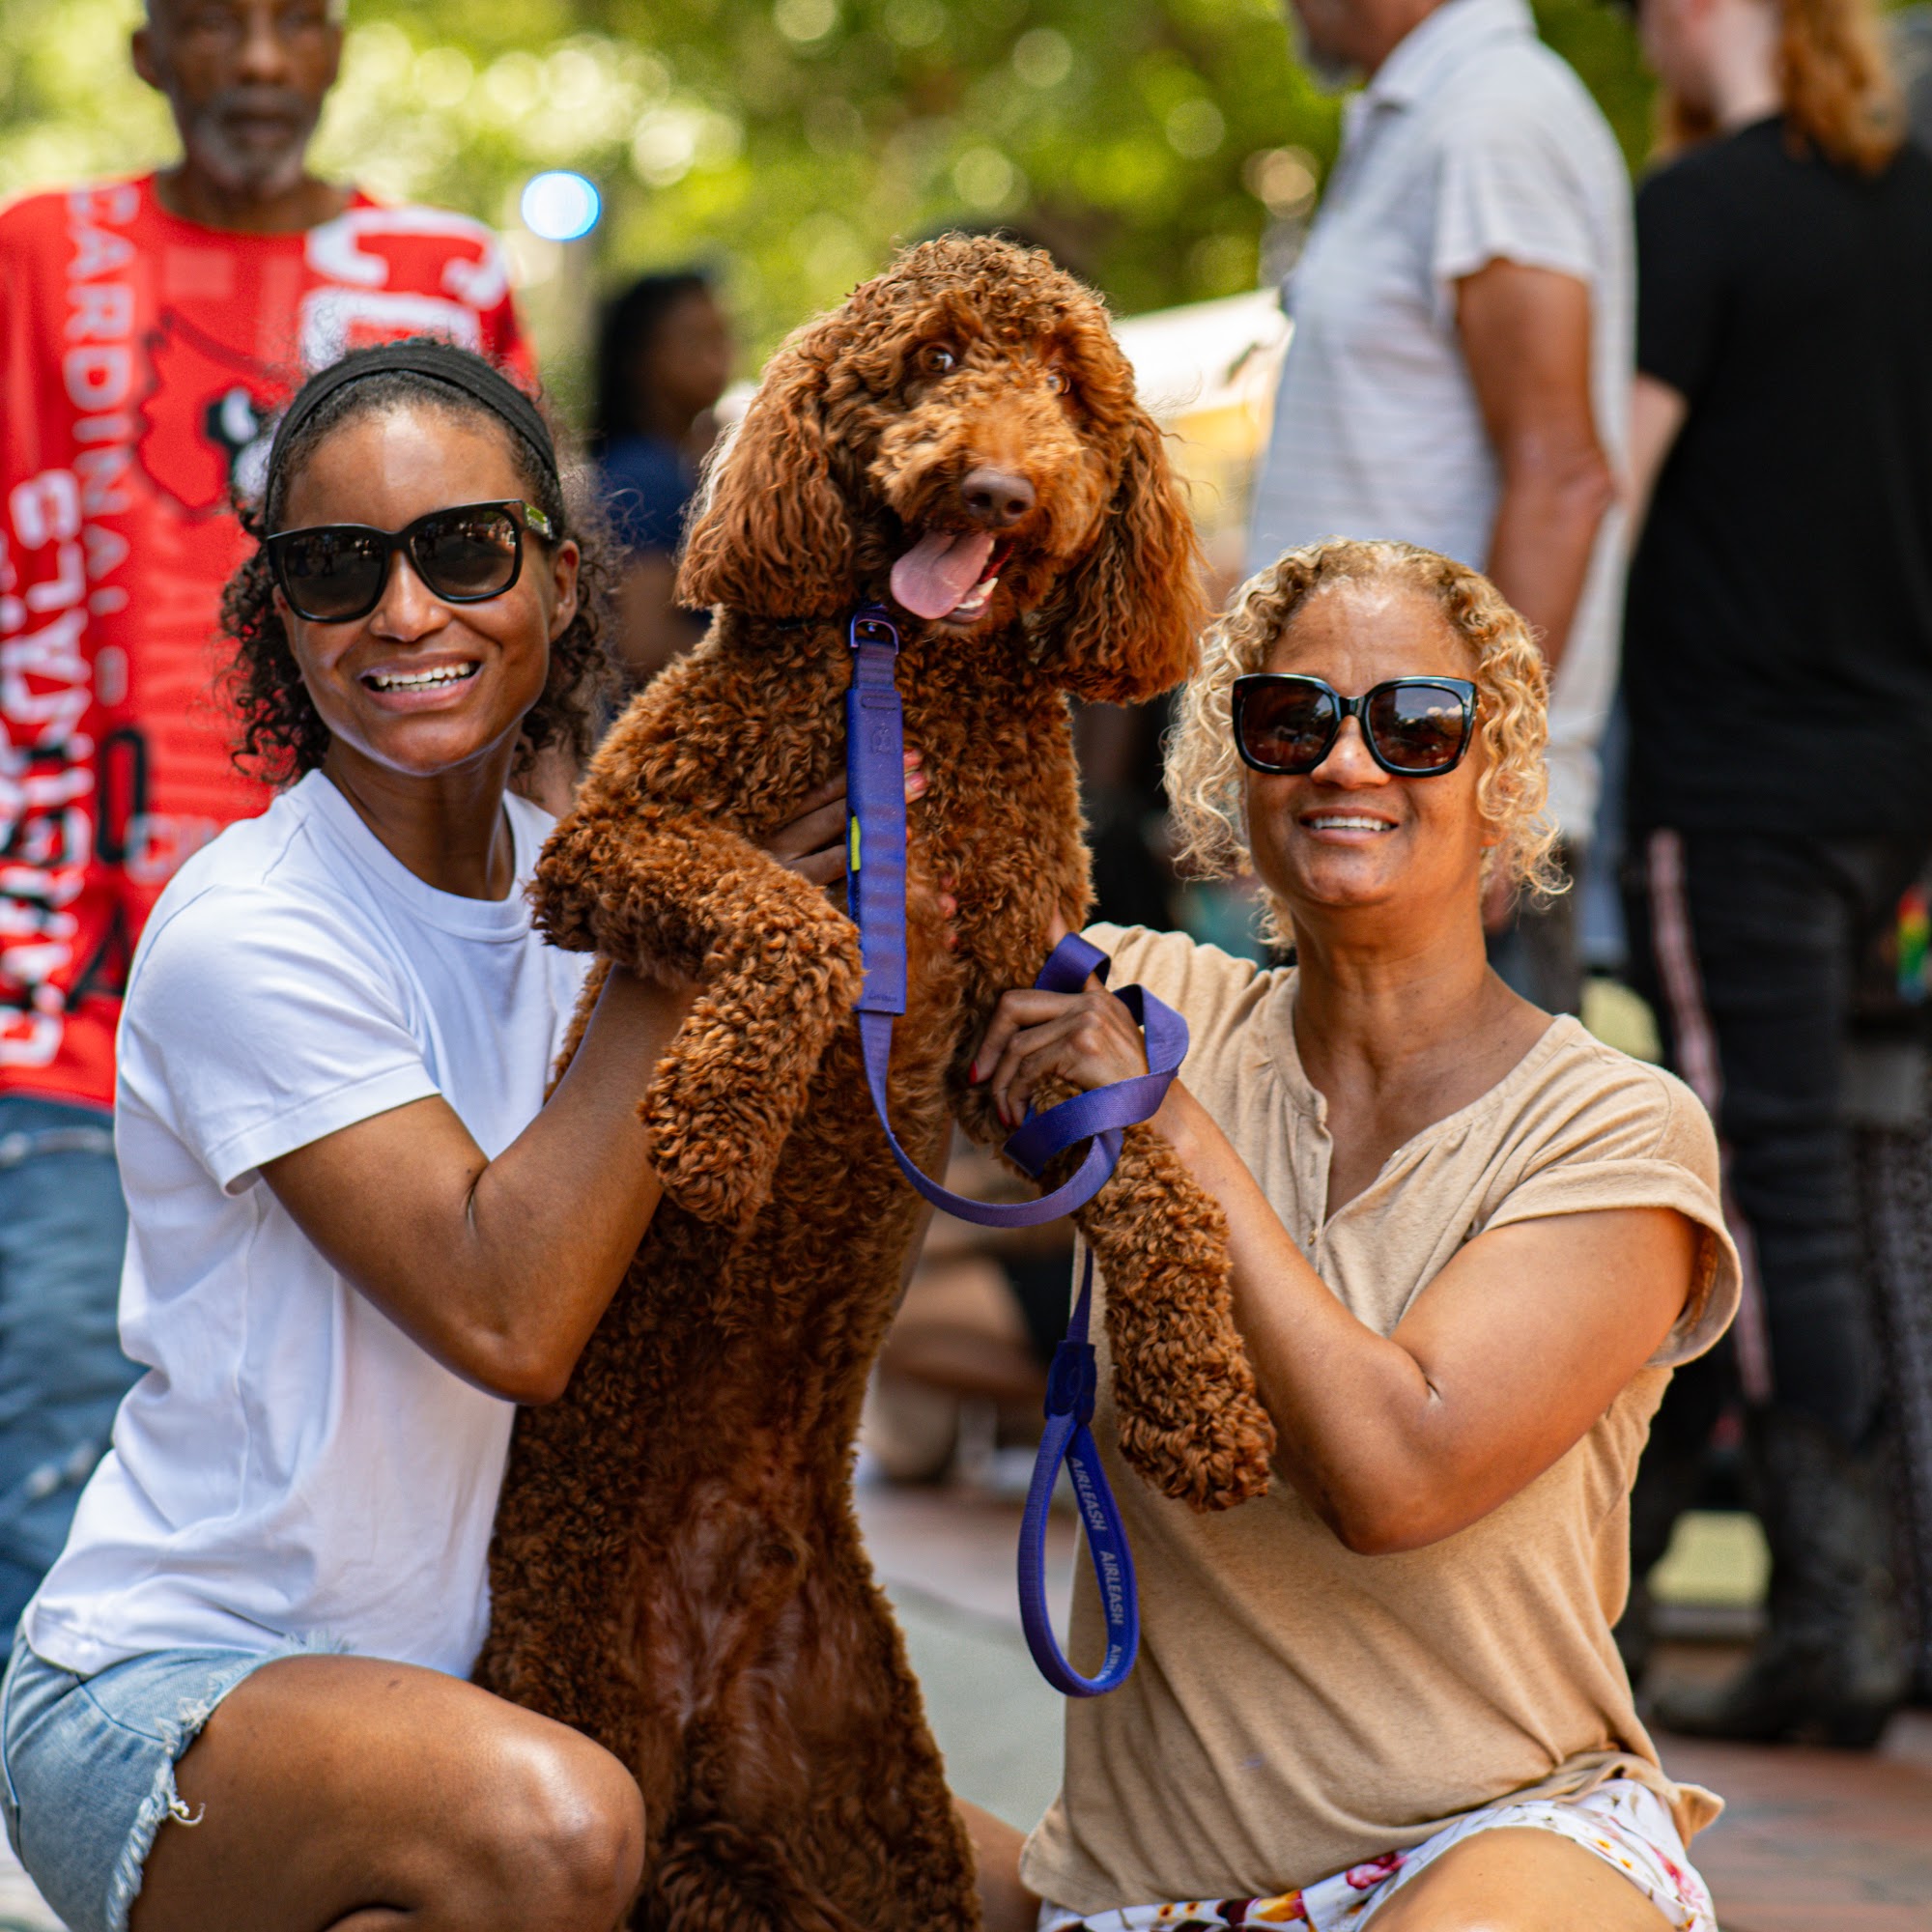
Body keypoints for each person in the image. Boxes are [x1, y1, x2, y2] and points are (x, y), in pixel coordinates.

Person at [0, 336, 950, 1932]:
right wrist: (702, 920)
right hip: (172, 1695)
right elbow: (506, 1310)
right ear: (274, 614)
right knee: (557, 1832)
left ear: (564, 583)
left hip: (493, 1692)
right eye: (333, 568)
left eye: (463, 549)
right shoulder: (253, 930)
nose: (406, 613)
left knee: (953, 1879)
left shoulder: (567, 884)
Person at [966, 539, 1740, 1932]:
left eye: (1417, 727)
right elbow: (907, 899)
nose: (1348, 765)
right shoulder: (1142, 992)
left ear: (1499, 776)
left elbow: (1396, 1476)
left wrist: (1165, 1123)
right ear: (1233, 767)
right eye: (1292, 721)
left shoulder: (1618, 1129)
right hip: (1146, 1896)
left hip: (1498, 1847)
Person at [0, 0, 526, 1632]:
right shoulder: (38, 257)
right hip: (68, 977)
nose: (253, 64)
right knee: (54, 1437)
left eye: (291, 22)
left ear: (340, 49)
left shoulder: (446, 277)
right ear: (148, 52)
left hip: (388, 966)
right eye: (212, 25)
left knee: (399, 1426)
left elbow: (510, 585)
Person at [1615, 0, 1932, 1743]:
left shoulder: (1700, 213)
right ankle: (1784, 1596)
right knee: (1830, 1180)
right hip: (1892, 784)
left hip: (1738, 781)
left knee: (1756, 1192)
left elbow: (1611, 485)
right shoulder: (1912, 202)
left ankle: (1832, 1625)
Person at [1247, 0, 1631, 1015]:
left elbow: (1562, 473)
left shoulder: (1491, 116)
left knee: (1478, 1177)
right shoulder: (1419, 117)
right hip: (1355, 812)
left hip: (1440, 845)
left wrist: (1492, 796)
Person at [589, 269, 733, 687]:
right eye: (695, 340)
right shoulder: (646, 474)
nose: (718, 355)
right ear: (641, 358)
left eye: (722, 336)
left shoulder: (664, 461)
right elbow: (642, 642)